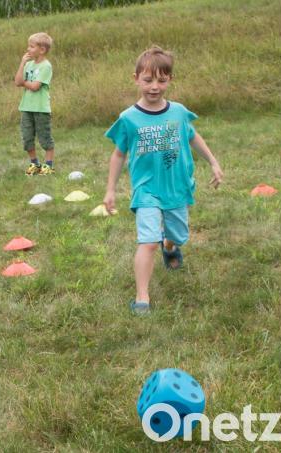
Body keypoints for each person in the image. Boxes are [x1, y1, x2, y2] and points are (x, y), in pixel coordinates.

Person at [102, 46, 224, 314]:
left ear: (170, 80)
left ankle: (169, 246)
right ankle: (142, 297)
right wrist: (110, 189)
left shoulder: (179, 112)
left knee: (178, 234)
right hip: (146, 190)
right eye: (148, 80)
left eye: (161, 80)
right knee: (147, 241)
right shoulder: (128, 118)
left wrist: (213, 162)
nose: (154, 87)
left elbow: (192, 137)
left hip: (176, 187)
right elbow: (118, 154)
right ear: (135, 78)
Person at [14, 32, 56, 176]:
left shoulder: (46, 66)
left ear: (42, 50)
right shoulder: (29, 64)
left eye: (31, 47)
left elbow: (35, 86)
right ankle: (34, 164)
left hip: (40, 109)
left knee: (44, 137)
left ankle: (48, 165)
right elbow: (17, 81)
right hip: (26, 107)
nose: (28, 49)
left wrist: (24, 83)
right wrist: (22, 63)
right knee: (27, 137)